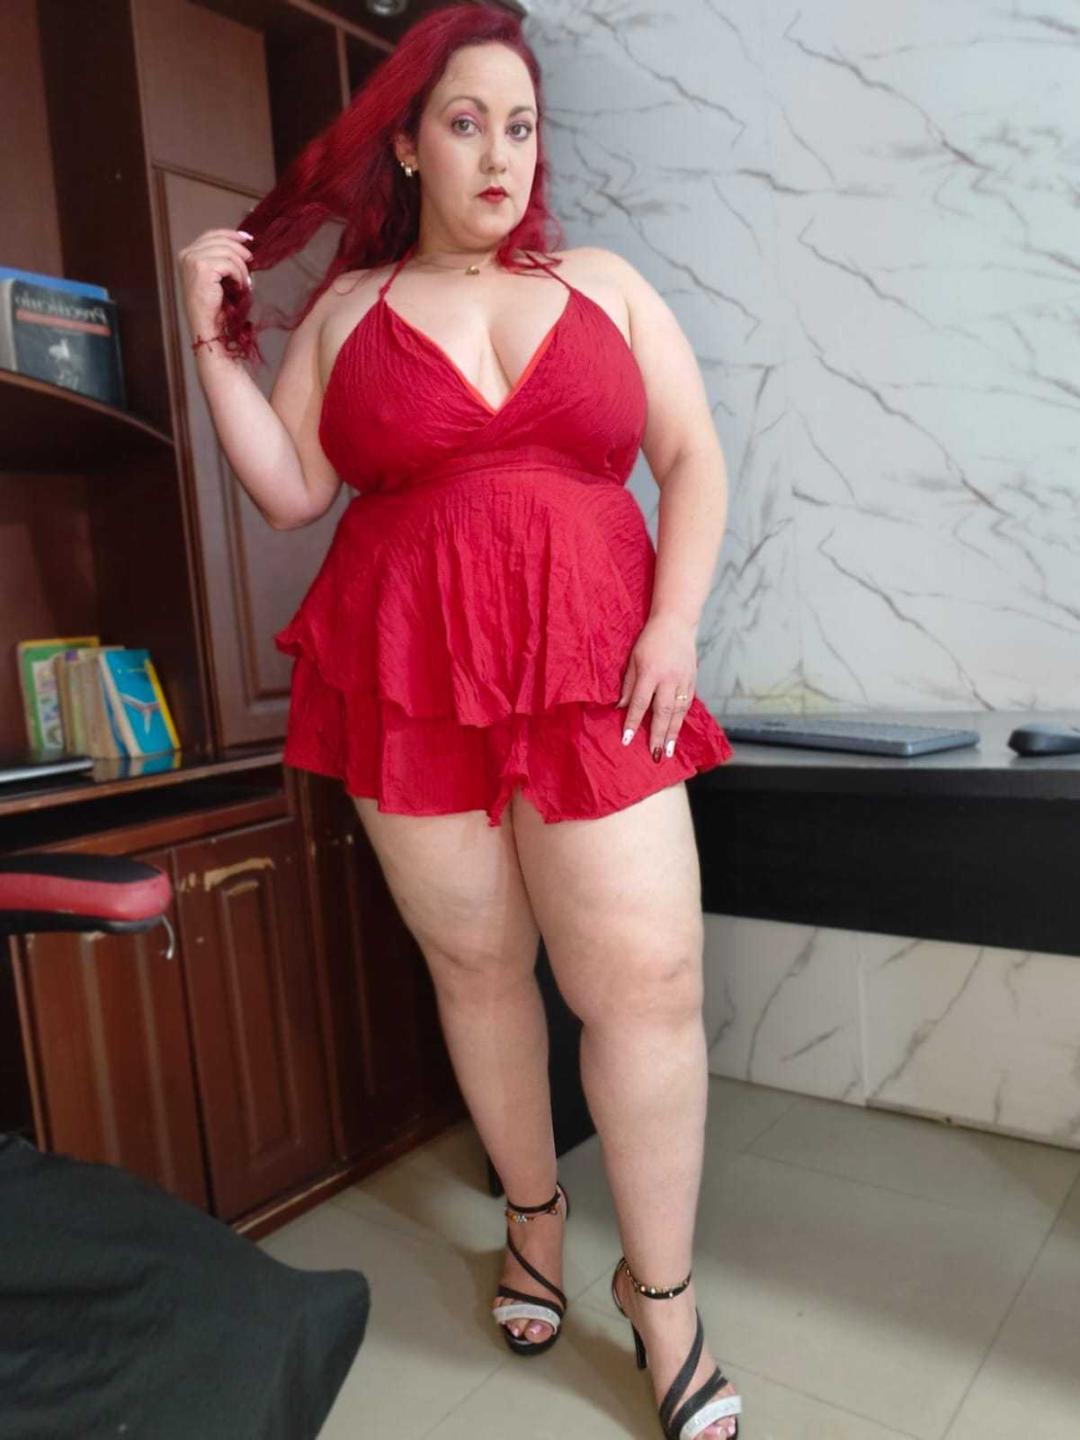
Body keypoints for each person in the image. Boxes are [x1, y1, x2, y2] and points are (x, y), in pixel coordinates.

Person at [176, 4, 741, 1437]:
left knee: (648, 982)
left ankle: (663, 1299)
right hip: (410, 672)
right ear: (412, 147)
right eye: (467, 122)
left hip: (597, 662)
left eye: (521, 126)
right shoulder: (349, 312)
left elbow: (691, 458)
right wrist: (212, 346)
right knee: (480, 971)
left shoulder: (603, 284)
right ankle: (535, 1219)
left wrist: (675, 623)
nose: (500, 153)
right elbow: (291, 493)